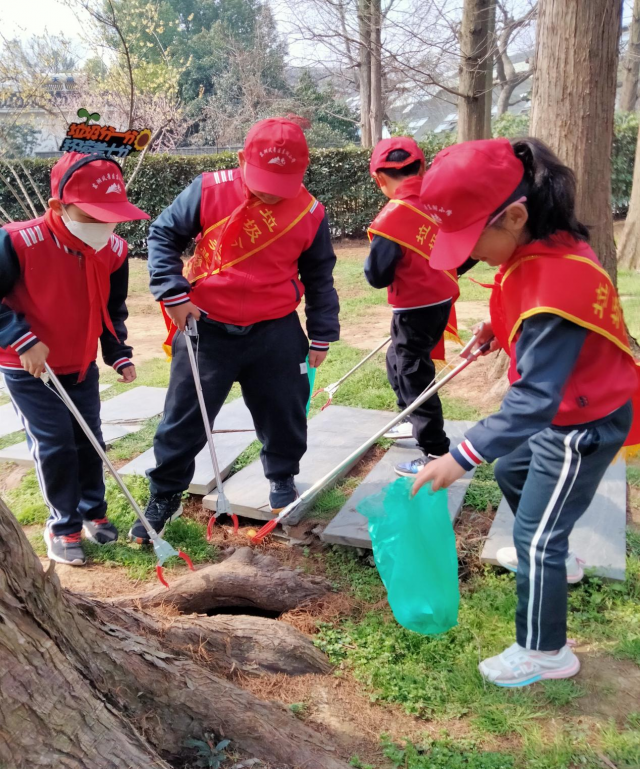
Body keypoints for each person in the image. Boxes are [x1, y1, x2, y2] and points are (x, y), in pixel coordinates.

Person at [413, 137, 639, 687]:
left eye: (472, 240)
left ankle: (544, 651)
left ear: (514, 216)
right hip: (567, 409)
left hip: (579, 424)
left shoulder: (555, 281)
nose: (469, 255)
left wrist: (460, 456)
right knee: (513, 468)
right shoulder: (546, 243)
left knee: (537, 537)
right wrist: (500, 328)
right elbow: (537, 315)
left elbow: (536, 398)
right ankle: (556, 556)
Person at [135, 117, 340, 543]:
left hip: (275, 329)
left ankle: (282, 477)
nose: (269, 192)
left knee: (284, 410)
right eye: (263, 179)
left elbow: (320, 274)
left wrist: (321, 331)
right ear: (242, 159)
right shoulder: (209, 189)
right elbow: (162, 236)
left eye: (282, 182)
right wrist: (173, 293)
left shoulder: (310, 211)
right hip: (204, 326)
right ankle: (165, 494)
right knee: (183, 418)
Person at [0, 152, 149, 566]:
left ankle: (92, 512)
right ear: (58, 207)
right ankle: (62, 526)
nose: (104, 226)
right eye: (93, 214)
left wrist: (117, 352)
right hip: (30, 368)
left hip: (81, 365)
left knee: (90, 441)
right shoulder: (16, 241)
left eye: (111, 215)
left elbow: (110, 308)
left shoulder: (114, 250)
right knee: (55, 446)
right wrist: (20, 339)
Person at [365, 137, 469, 477]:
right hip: (438, 300)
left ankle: (435, 450)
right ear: (421, 168)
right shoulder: (437, 203)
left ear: (379, 179)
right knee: (398, 359)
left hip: (415, 308)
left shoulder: (393, 216)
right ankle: (409, 420)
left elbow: (377, 275)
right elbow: (463, 250)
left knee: (412, 373)